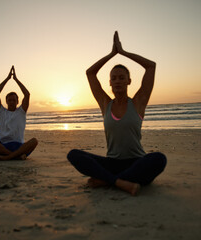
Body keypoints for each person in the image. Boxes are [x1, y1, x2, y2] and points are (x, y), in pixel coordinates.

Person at [67, 32, 166, 196]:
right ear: (110, 83)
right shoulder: (105, 103)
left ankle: (107, 180)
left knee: (159, 159)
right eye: (114, 78)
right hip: (112, 163)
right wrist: (111, 54)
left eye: (122, 77)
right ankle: (120, 182)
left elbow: (151, 66)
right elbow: (90, 73)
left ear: (129, 81)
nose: (118, 81)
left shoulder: (138, 102)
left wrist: (123, 52)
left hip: (137, 162)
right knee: (74, 155)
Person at [0, 66, 38, 161]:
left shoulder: (21, 111)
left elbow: (27, 94)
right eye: (9, 100)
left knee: (34, 141)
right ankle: (15, 156)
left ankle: (8, 157)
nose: (12, 102)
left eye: (14, 100)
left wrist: (16, 79)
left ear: (18, 101)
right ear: (6, 101)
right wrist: (7, 78)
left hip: (19, 146)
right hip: (3, 146)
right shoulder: (1, 111)